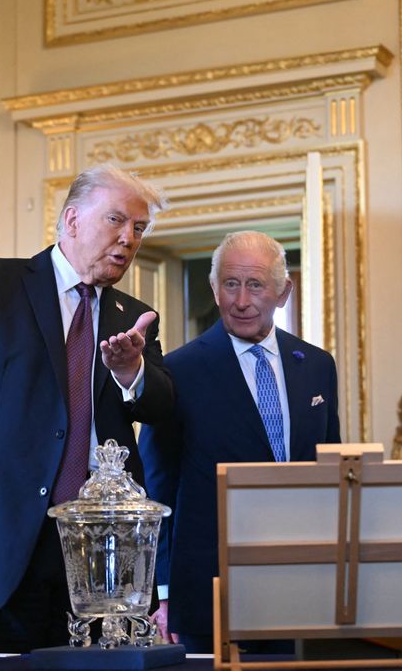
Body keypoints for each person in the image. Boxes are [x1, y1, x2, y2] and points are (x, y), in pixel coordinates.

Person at [0, 164, 175, 652]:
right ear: (72, 220)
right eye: (116, 220)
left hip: (99, 555)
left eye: (138, 228)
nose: (129, 239)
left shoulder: (132, 316)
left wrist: (131, 371)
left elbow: (161, 407)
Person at [139, 230, 341, 652]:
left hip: (304, 584)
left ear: (283, 292)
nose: (242, 300)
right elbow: (156, 487)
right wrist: (162, 590)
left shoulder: (318, 365)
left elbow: (330, 471)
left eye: (255, 285)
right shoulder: (178, 371)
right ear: (215, 289)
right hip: (208, 590)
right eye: (231, 284)